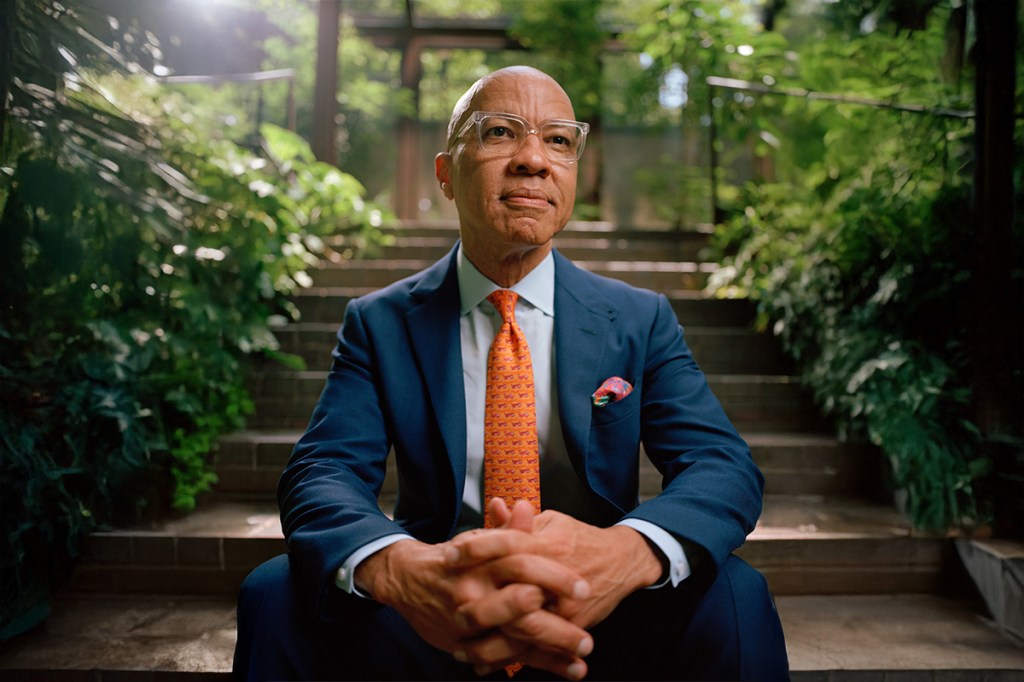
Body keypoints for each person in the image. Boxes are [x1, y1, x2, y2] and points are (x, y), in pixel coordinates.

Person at [233, 65, 789, 681]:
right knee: (276, 592)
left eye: (558, 140)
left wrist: (625, 553)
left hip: (601, 604)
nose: (534, 159)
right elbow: (325, 468)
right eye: (500, 132)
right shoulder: (379, 323)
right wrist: (401, 570)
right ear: (447, 173)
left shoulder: (639, 319)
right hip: (440, 602)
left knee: (736, 594)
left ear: (573, 174)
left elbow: (720, 463)